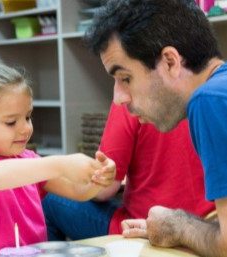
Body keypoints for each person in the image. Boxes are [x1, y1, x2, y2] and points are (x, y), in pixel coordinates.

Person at [84, 0, 227, 256]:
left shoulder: (208, 100)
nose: (119, 98)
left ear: (171, 62)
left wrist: (179, 226)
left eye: (125, 78)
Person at [0, 58, 116, 256]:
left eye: (28, 117)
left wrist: (97, 181)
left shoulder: (30, 161)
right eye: (11, 122)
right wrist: (59, 164)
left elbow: (77, 192)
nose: (26, 128)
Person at [42, 102, 215, 240]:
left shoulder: (130, 99)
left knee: (48, 201)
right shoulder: (212, 95)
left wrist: (61, 171)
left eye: (123, 78)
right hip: (210, 228)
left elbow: (104, 190)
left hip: (143, 228)